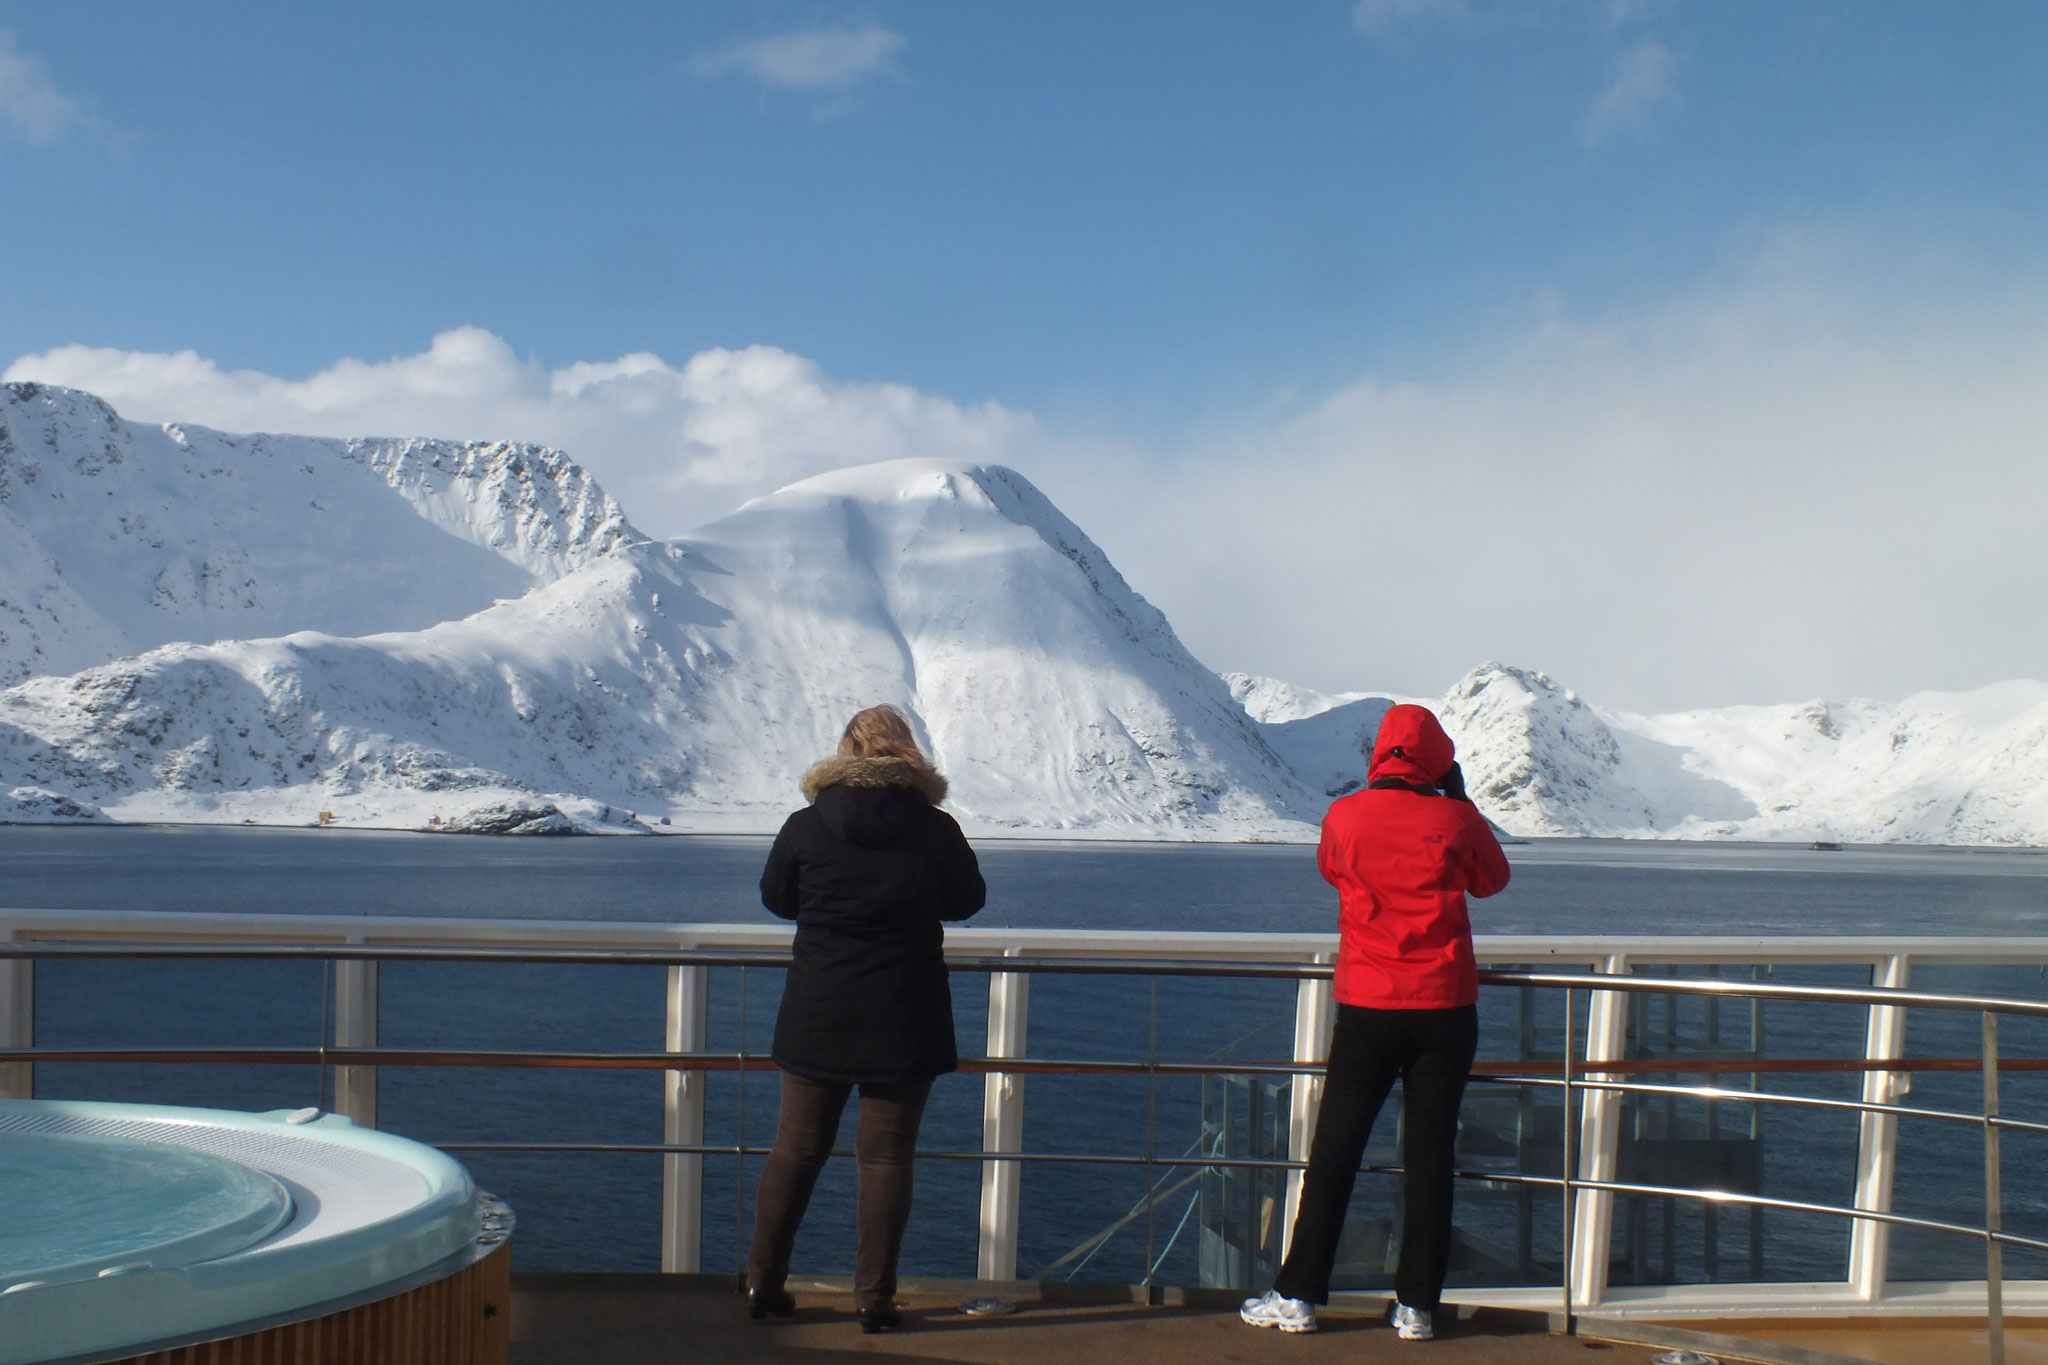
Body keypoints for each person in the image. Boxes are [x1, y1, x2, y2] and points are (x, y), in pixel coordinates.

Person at [1241, 703, 1510, 1340]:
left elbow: (1332, 868)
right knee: (1430, 1155)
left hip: (1369, 1004)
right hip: (1444, 1008)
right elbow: (1493, 880)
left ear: (1380, 753)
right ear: (1439, 757)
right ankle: (1417, 1306)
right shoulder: (1455, 817)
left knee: (1336, 1150)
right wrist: (1460, 802)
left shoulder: (1345, 816)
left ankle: (1298, 1294)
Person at [745, 704, 986, 1334]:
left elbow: (777, 898)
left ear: (849, 749)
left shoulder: (806, 823)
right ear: (906, 751)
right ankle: (874, 1301)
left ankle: (762, 1285)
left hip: (818, 1011)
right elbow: (967, 902)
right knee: (884, 1161)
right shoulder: (936, 829)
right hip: (905, 1015)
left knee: (795, 1152)